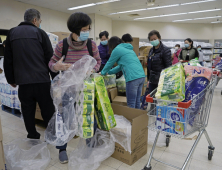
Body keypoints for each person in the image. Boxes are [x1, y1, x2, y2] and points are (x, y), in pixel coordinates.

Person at [3, 8, 57, 160]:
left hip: (23, 82)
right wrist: (56, 78)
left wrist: (11, 79)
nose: (40, 23)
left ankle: (32, 136)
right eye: (40, 21)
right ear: (35, 20)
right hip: (42, 81)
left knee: (27, 111)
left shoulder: (12, 33)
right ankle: (51, 135)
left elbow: (8, 60)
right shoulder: (40, 33)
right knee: (47, 110)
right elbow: (50, 58)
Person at [49, 12, 101, 163]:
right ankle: (62, 149)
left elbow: (98, 62)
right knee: (65, 119)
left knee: (90, 119)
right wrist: (56, 66)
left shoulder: (91, 45)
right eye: (84, 29)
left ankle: (90, 148)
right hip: (68, 90)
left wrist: (93, 69)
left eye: (88, 29)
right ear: (75, 29)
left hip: (87, 90)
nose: (87, 32)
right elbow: (51, 64)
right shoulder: (62, 45)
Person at [101, 36, 145, 109]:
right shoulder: (128, 49)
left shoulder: (117, 49)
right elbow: (120, 66)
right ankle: (137, 118)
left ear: (111, 45)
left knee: (131, 103)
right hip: (141, 77)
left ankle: (131, 119)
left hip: (132, 78)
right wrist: (109, 72)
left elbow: (110, 63)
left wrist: (102, 72)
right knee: (137, 101)